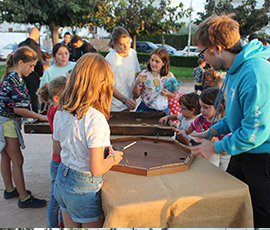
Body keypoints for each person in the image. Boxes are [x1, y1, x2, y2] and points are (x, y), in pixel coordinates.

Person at [190, 14, 270, 227]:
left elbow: (255, 132)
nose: (203, 58)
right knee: (234, 208)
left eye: (203, 52)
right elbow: (235, 116)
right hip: (243, 151)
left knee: (260, 216)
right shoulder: (233, 71)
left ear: (217, 48)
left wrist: (216, 147)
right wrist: (211, 132)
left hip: (262, 158)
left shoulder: (254, 73)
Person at [53, 53, 123, 227]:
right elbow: (96, 169)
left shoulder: (61, 111)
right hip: (83, 188)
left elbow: (56, 150)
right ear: (100, 83)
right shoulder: (95, 119)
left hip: (62, 179)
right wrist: (114, 158)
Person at [0, 46, 48, 208]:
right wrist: (40, 116)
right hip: (6, 122)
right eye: (31, 66)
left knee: (6, 157)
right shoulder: (16, 80)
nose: (32, 70)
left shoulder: (10, 76)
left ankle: (9, 189)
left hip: (3, 120)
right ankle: (23, 198)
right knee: (18, 159)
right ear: (20, 62)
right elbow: (18, 109)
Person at [37, 76, 67, 227]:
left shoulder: (55, 110)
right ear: (57, 97)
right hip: (58, 160)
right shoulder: (56, 111)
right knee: (55, 199)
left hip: (60, 159)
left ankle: (61, 223)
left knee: (61, 198)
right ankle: (53, 226)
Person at [176, 88, 230, 169]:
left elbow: (225, 151)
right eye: (201, 106)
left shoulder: (223, 125)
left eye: (206, 107)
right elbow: (187, 130)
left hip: (218, 164)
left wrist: (215, 143)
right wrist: (182, 132)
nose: (201, 110)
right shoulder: (200, 120)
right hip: (201, 159)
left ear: (218, 107)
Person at [133, 48, 178, 114]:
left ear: (164, 63)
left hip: (162, 110)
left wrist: (168, 94)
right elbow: (136, 95)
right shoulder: (144, 74)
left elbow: (175, 95)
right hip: (145, 109)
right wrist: (137, 84)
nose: (153, 63)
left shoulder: (169, 76)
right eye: (152, 60)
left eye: (157, 61)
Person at [105, 26, 141, 111]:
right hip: (114, 106)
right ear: (114, 43)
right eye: (121, 44)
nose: (126, 46)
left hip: (130, 104)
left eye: (128, 42)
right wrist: (124, 100)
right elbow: (108, 85)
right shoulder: (110, 59)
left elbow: (137, 75)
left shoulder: (133, 53)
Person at [19, 27, 43, 113]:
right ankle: (35, 113)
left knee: (23, 94)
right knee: (34, 96)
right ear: (36, 35)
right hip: (33, 75)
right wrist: (41, 73)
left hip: (22, 74)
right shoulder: (35, 47)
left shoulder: (21, 45)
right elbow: (39, 62)